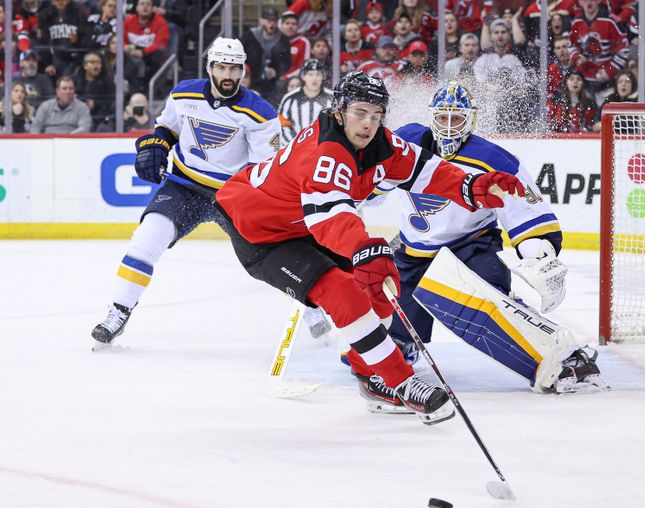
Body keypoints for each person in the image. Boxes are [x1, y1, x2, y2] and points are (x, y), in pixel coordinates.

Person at [214, 72, 528, 424]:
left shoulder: (383, 144)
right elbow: (330, 217)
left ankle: (371, 377)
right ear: (340, 111)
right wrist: (363, 247)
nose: (368, 124)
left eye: (376, 115)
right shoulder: (326, 153)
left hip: (303, 223)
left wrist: (473, 187)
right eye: (360, 113)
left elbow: (427, 170)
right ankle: (401, 382)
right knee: (341, 290)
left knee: (381, 280)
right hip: (261, 232)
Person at [381, 82, 605, 398]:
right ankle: (401, 343)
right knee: (380, 335)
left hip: (469, 247)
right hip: (412, 252)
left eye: (455, 119)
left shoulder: (493, 158)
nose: (447, 127)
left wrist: (540, 254)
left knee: (487, 305)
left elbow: (525, 211)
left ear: (470, 120)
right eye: (441, 118)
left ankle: (561, 357)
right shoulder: (407, 142)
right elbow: (370, 181)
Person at [90, 38, 281, 347]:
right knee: (145, 240)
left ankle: (309, 309)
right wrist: (158, 144)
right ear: (210, 68)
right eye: (221, 67)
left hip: (232, 195)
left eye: (234, 67)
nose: (228, 74)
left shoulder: (261, 113)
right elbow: (167, 127)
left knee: (271, 256)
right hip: (183, 186)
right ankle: (118, 312)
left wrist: (258, 204)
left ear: (244, 70)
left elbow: (263, 169)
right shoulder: (184, 94)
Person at [277, 59, 334, 146]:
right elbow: (282, 125)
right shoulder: (290, 99)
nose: (314, 78)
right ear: (303, 76)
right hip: (295, 151)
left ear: (323, 76)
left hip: (324, 149)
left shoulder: (331, 98)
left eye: (318, 74)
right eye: (310, 74)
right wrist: (293, 147)